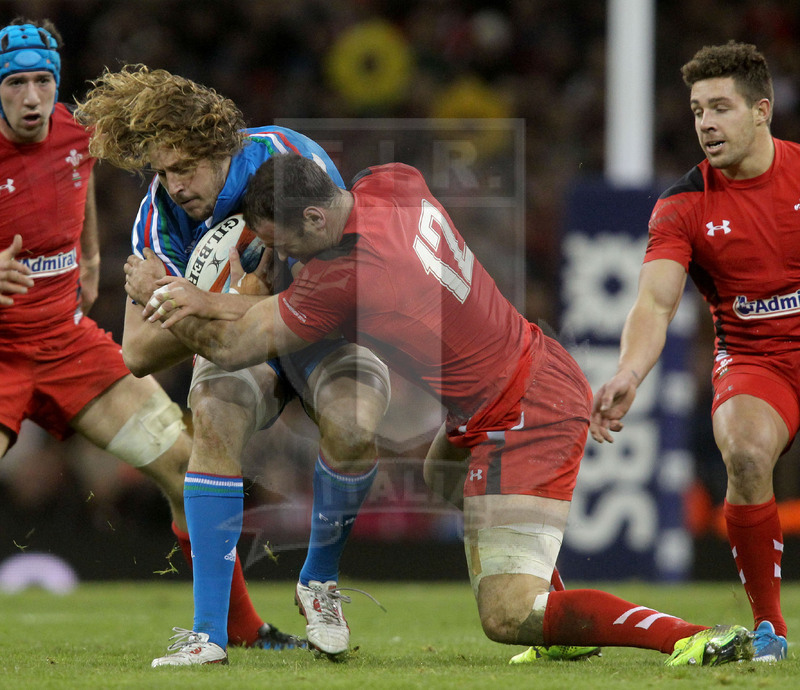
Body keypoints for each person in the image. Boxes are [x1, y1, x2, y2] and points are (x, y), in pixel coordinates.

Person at [137, 152, 756, 667]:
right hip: (514, 376)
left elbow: (236, 344)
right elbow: (289, 281)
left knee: (507, 616)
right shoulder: (391, 182)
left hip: (526, 410)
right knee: (441, 476)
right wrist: (227, 287)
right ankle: (558, 621)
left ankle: (689, 637)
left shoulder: (349, 276)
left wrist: (165, 296)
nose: (281, 261)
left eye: (284, 245)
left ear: (318, 218)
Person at [0, 18, 301, 653]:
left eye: (43, 82)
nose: (32, 97)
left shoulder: (74, 134)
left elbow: (77, 181)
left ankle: (242, 631)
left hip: (67, 344)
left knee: (184, 463)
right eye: (16, 83)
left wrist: (88, 257)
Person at [75, 66, 391, 666]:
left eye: (186, 168)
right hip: (237, 339)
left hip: (323, 326)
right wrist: (224, 307)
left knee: (354, 425)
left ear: (222, 149)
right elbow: (137, 353)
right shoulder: (159, 216)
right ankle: (207, 635)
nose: (175, 186)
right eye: (163, 172)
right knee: (213, 414)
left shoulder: (289, 161)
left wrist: (208, 302)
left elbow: (336, 287)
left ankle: (318, 582)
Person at [590, 41, 793, 663]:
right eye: (698, 110)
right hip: (758, 361)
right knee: (746, 455)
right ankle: (770, 626)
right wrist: (630, 372)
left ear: (762, 110)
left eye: (721, 108)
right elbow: (655, 304)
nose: (706, 123)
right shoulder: (683, 205)